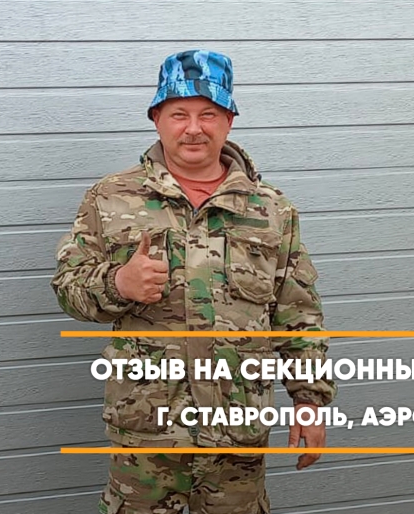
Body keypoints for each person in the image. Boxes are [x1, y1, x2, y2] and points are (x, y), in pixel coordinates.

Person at [51, 49, 337, 514]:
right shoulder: (111, 197)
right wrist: (119, 284)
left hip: (237, 434)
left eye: (208, 114)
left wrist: (310, 399)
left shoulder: (270, 209)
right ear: (156, 118)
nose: (193, 128)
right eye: (179, 114)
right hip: (148, 433)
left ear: (229, 120)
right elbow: (68, 287)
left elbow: (297, 313)